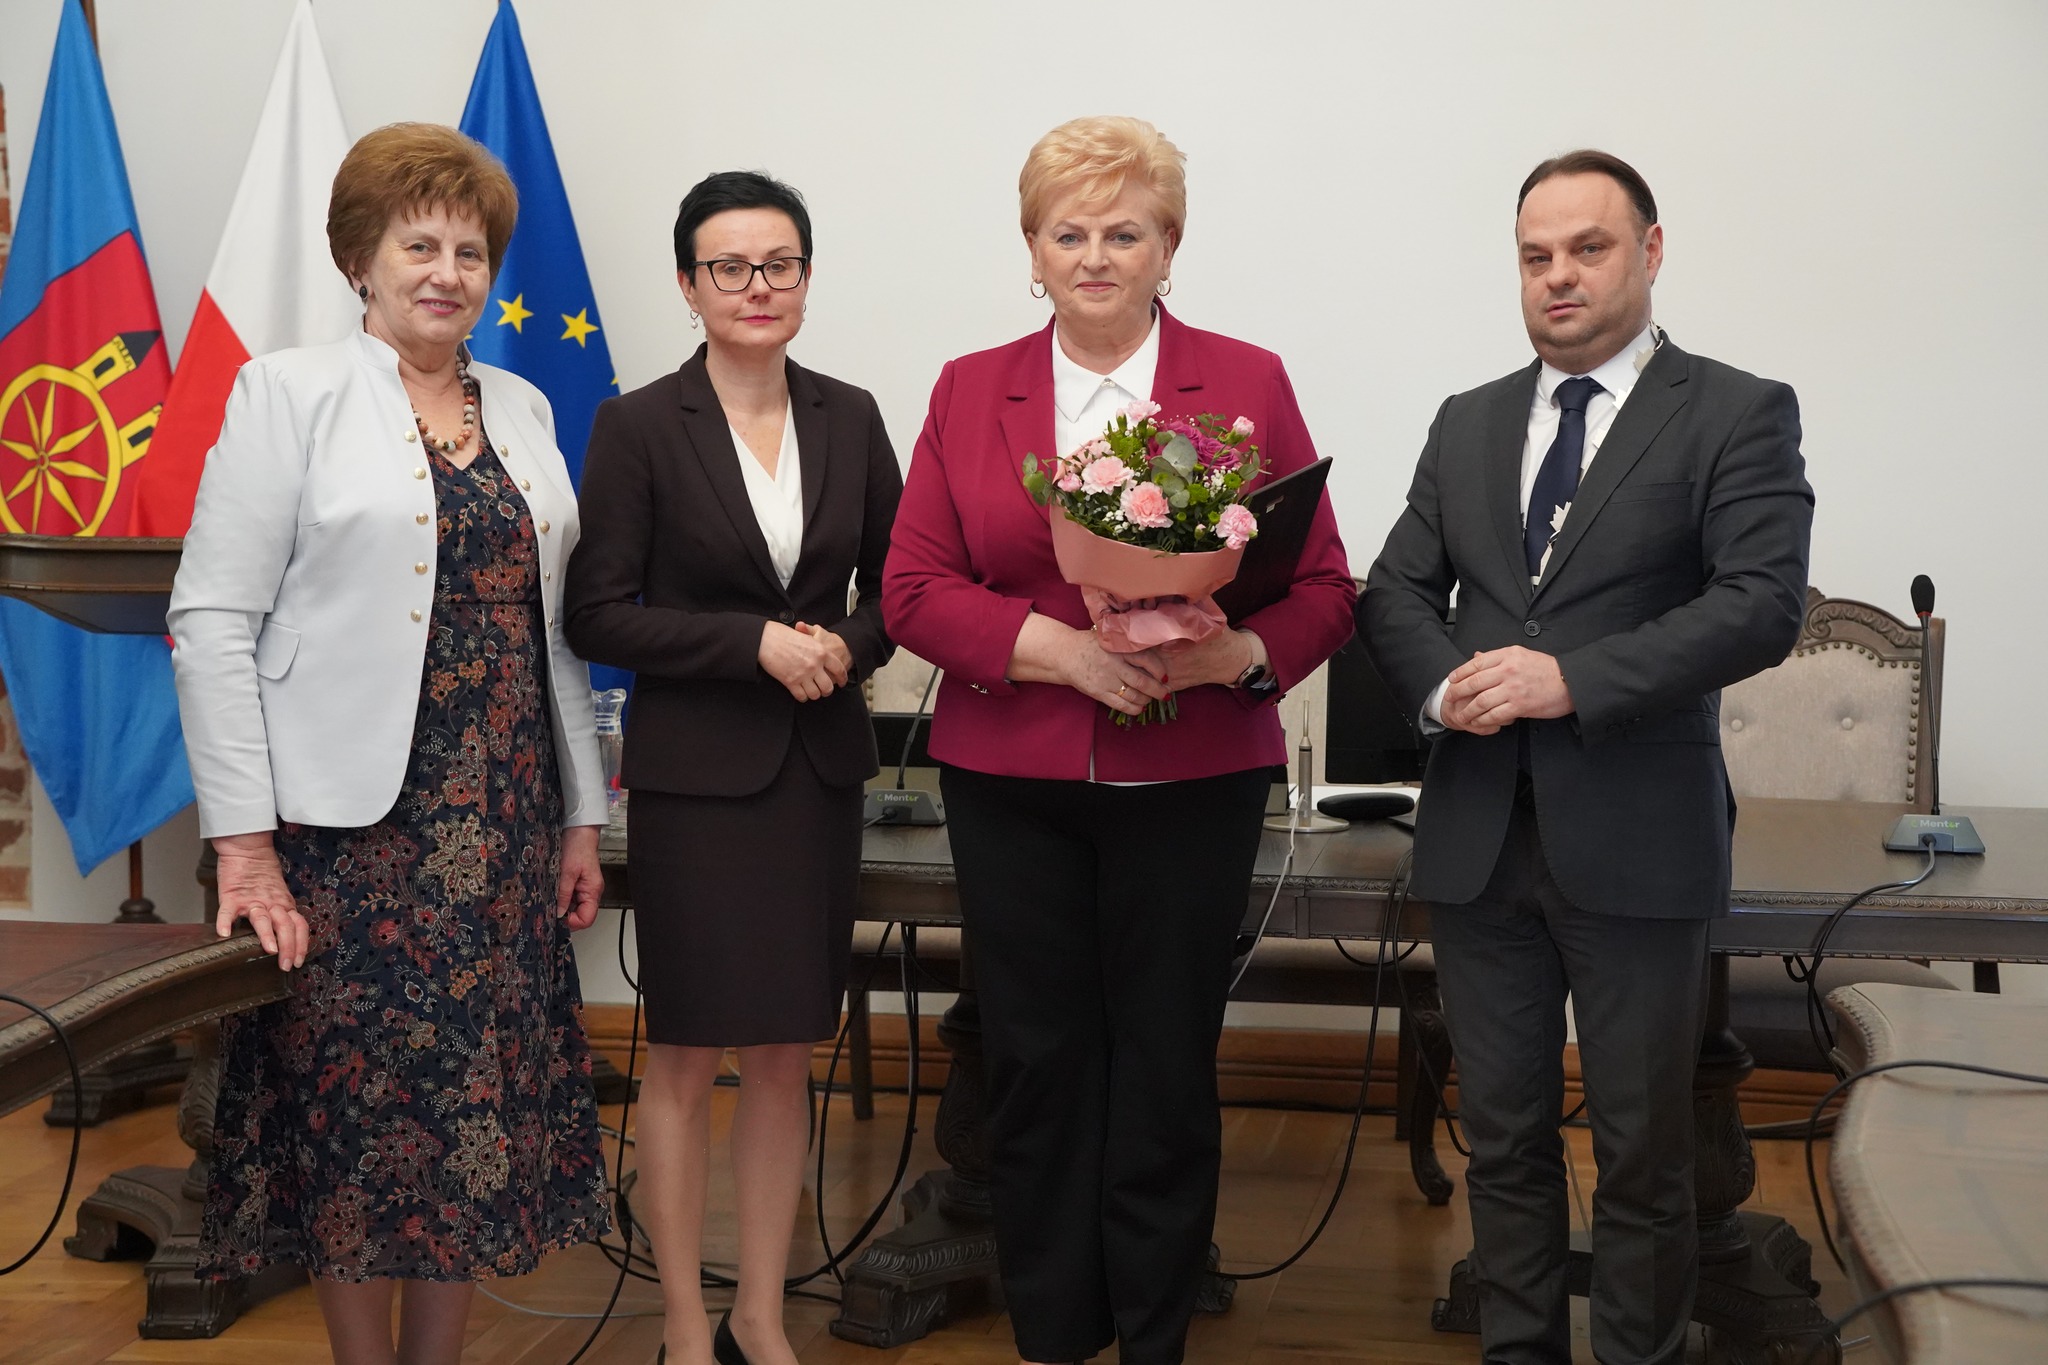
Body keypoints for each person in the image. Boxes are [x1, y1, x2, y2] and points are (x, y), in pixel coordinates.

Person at [882, 116, 1354, 1365]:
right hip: (1013, 780)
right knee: (1033, 1063)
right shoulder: (968, 388)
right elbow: (913, 590)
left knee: (1161, 1061)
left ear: (1167, 245)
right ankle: (1054, 1332)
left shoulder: (1245, 381)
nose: (1094, 257)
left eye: (1122, 231)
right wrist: (1067, 656)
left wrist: (1231, 657)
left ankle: (1149, 1335)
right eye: (1066, 232)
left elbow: (1322, 591)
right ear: (1030, 249)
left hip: (1192, 781)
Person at [1360, 150, 1815, 1365]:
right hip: (1474, 842)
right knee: (1499, 1142)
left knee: (1641, 1155)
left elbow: (1762, 602)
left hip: (1635, 840)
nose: (1556, 276)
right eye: (1533, 255)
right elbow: (1394, 589)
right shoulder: (1467, 421)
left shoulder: (1733, 408)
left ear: (1649, 252)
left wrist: (1573, 680)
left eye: (1586, 248)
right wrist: (1440, 681)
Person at [169, 123, 612, 1365]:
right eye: (419, 243)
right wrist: (243, 848)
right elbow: (211, 622)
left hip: (502, 822)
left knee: (471, 1117)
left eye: (470, 250)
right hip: (344, 835)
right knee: (364, 1125)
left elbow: (556, 629)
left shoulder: (522, 405)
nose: (448, 271)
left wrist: (581, 811)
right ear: (361, 258)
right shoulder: (288, 392)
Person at [562, 170, 902, 1365]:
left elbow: (895, 594)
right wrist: (749, 644)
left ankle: (760, 1314)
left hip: (814, 776)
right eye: (729, 268)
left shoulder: (851, 415)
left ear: (806, 274)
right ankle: (683, 1322)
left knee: (783, 1049)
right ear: (688, 285)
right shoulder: (639, 425)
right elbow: (596, 614)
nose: (757, 288)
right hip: (697, 784)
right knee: (687, 1046)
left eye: (779, 265)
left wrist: (839, 651)